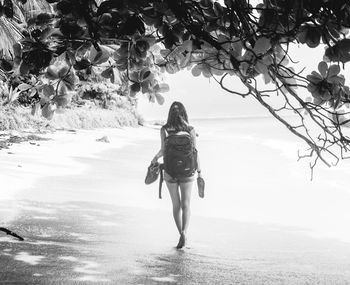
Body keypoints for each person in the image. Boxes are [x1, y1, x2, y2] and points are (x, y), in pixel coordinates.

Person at [152, 101, 202, 249]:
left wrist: (154, 159)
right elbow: (195, 152)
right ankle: (185, 233)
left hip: (170, 171)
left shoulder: (165, 129)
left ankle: (180, 233)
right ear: (184, 113)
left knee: (176, 204)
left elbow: (162, 150)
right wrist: (200, 172)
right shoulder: (190, 129)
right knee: (186, 204)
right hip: (187, 171)